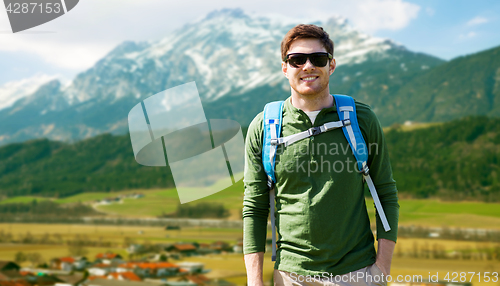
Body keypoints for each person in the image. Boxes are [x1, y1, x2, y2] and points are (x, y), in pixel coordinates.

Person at [242, 24, 399, 285]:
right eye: (296, 60)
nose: (308, 66)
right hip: (290, 275)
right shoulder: (263, 127)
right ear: (285, 68)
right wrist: (255, 281)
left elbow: (385, 194)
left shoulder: (362, 119)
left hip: (356, 271)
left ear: (331, 65)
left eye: (318, 59)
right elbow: (254, 208)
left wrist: (381, 270)